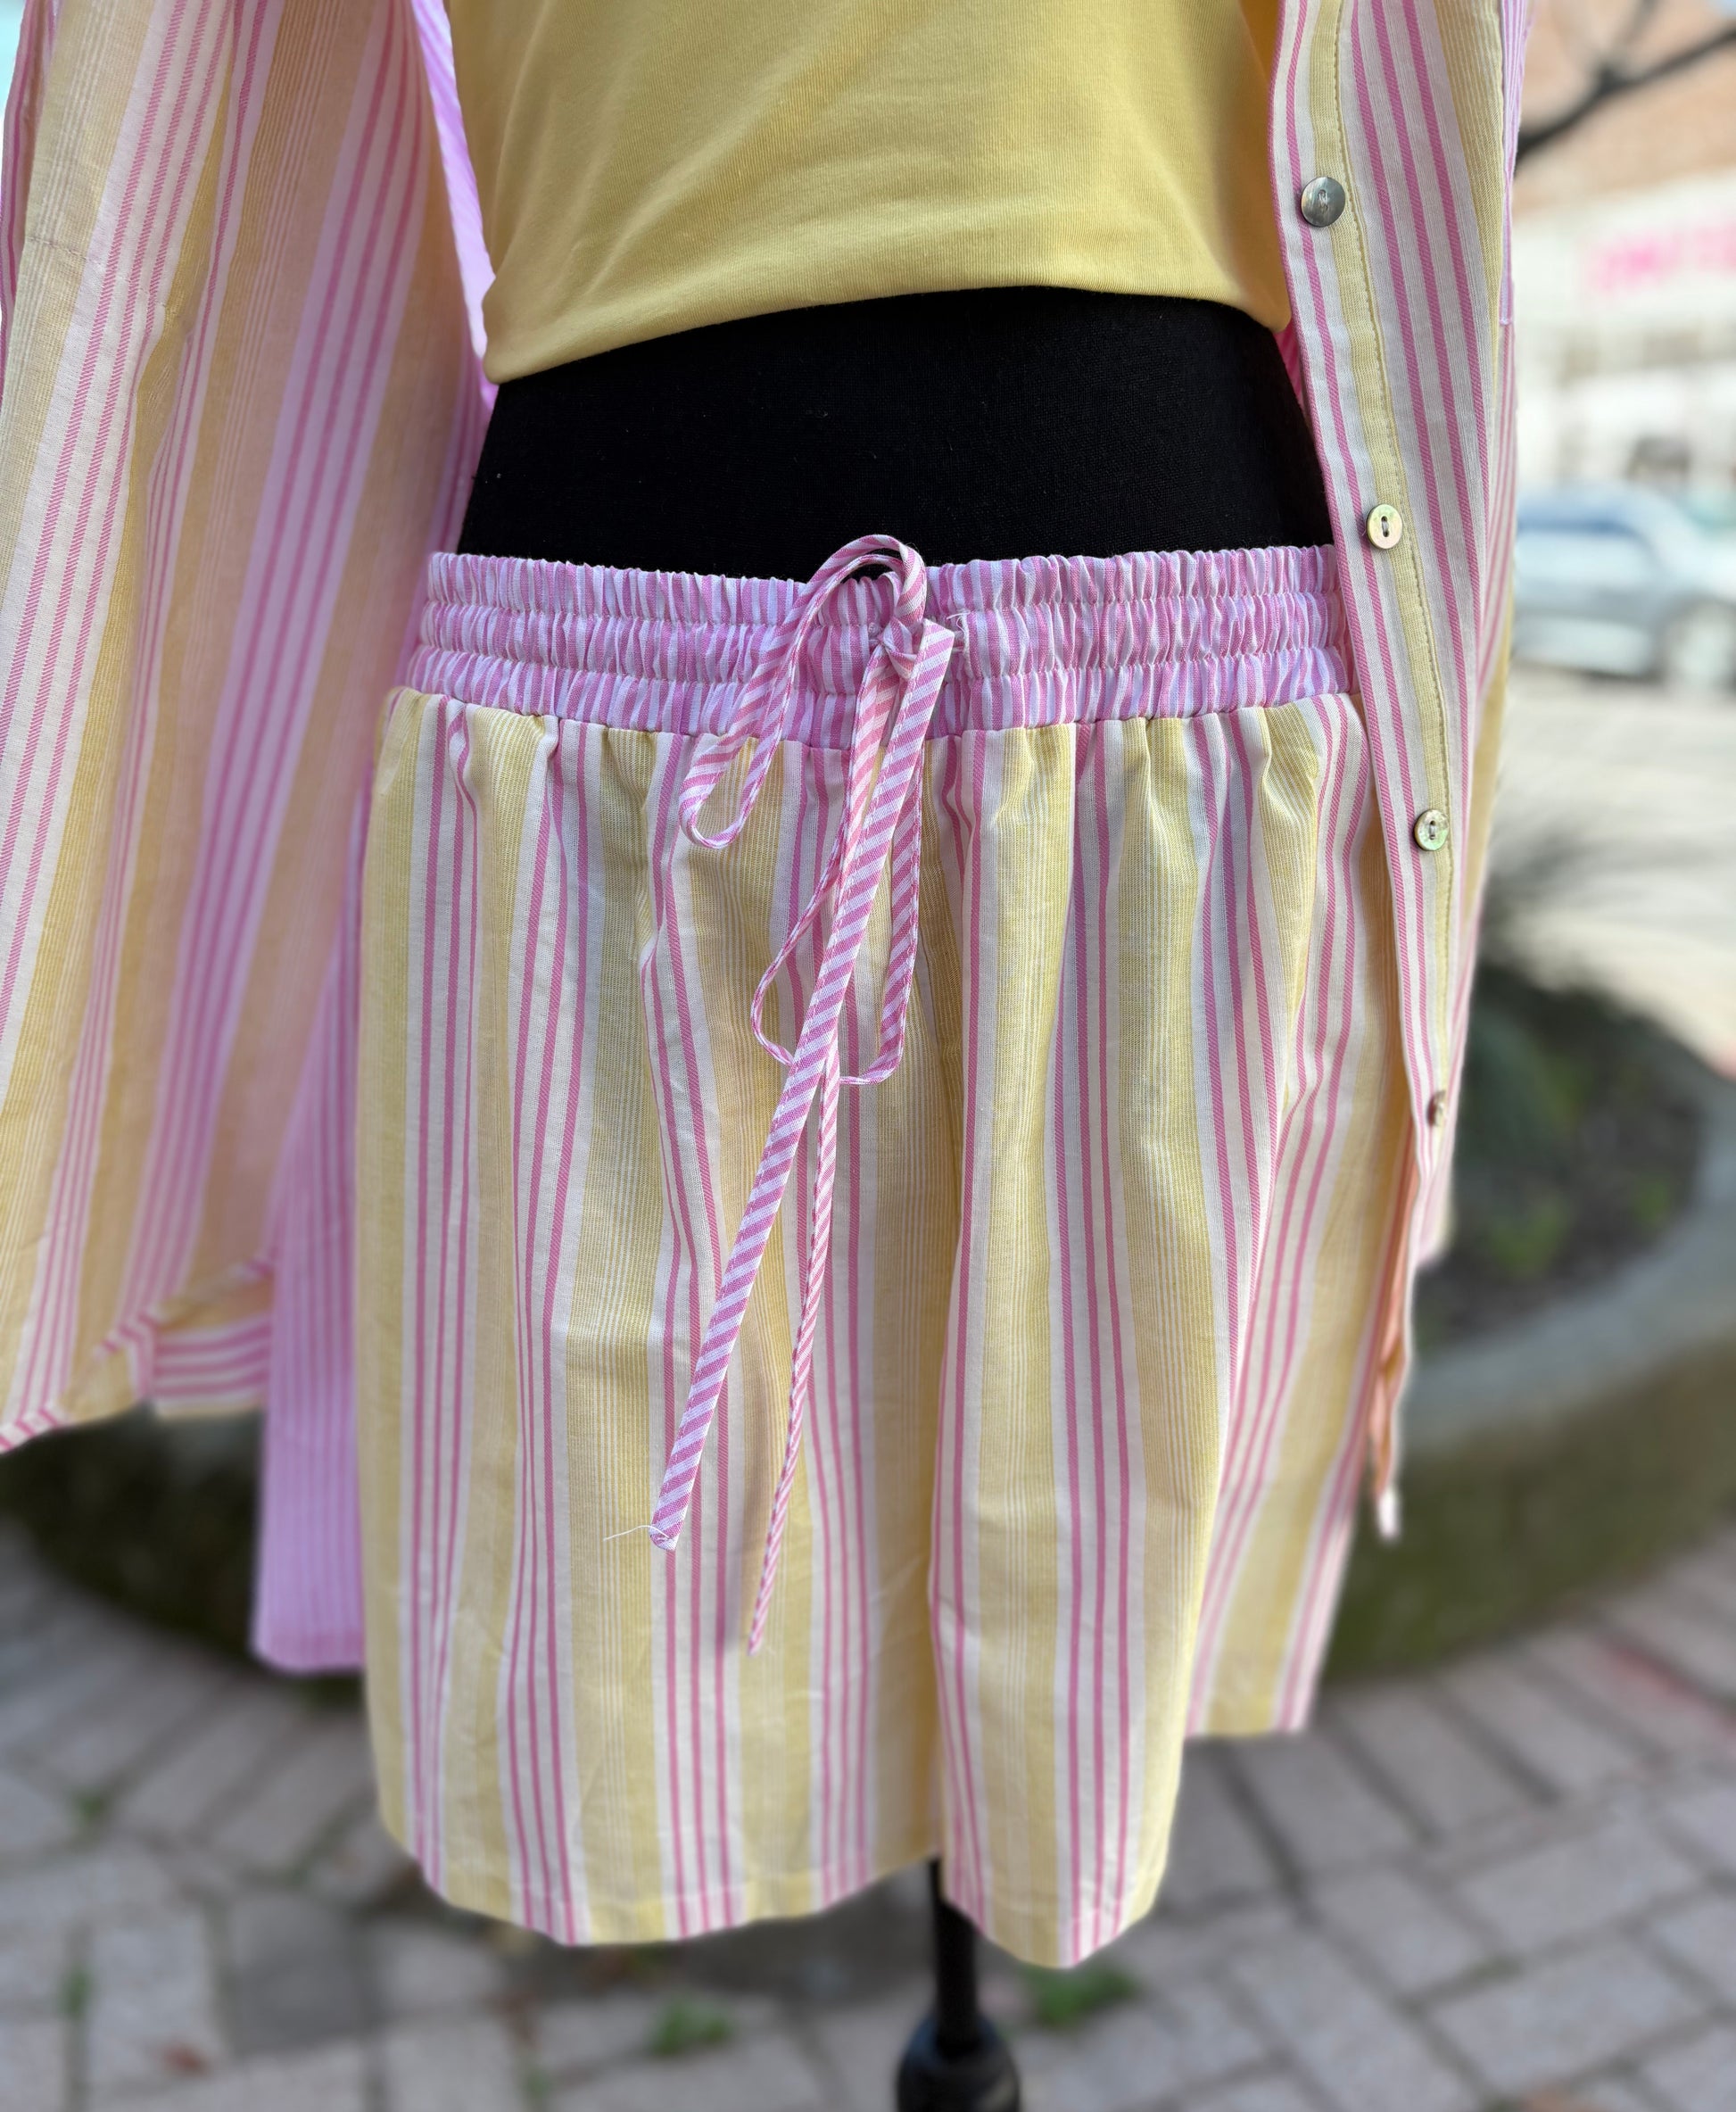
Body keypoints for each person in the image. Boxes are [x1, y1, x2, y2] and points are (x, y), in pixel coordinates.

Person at [0, 0, 1524, 1967]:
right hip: (620, 740)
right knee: (654, 1606)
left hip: (1191, 734)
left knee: (1083, 1558)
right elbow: (194, 176)